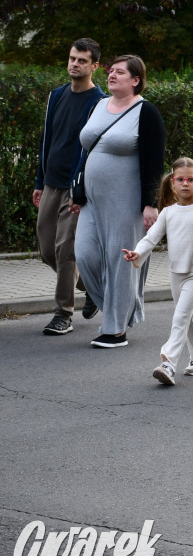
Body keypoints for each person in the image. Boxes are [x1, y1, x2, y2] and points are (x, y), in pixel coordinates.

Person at [74, 55, 166, 348]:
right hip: (91, 200)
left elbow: (154, 161)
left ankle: (115, 329)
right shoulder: (99, 105)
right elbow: (86, 150)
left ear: (135, 80)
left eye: (119, 72)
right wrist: (76, 190)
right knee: (85, 255)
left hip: (125, 201)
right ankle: (122, 308)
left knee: (120, 261)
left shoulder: (146, 112)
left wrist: (150, 203)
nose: (111, 75)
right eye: (111, 71)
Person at [122, 157, 193, 385]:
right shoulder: (167, 213)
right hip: (175, 274)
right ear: (172, 183)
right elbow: (151, 238)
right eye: (180, 179)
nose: (185, 183)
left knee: (180, 317)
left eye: (190, 179)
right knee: (188, 317)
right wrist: (137, 252)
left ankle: (168, 363)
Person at [32, 38, 106, 336]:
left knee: (66, 252)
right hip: (51, 183)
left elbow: (93, 149)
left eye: (82, 60)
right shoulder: (56, 96)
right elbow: (46, 140)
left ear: (95, 66)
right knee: (47, 249)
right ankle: (92, 287)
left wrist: (82, 189)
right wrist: (39, 181)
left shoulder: (98, 102)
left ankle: (63, 314)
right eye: (72, 58)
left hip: (76, 187)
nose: (75, 64)